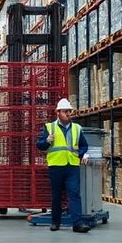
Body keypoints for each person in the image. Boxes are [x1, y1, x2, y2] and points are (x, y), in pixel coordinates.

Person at [36, 98, 90, 233]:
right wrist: (47, 141)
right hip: (56, 166)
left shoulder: (77, 128)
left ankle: (77, 224)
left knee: (75, 194)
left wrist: (82, 154)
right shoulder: (49, 127)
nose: (68, 114)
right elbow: (39, 145)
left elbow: (84, 145)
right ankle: (55, 222)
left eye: (69, 111)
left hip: (72, 166)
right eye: (65, 111)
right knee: (56, 196)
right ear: (58, 113)